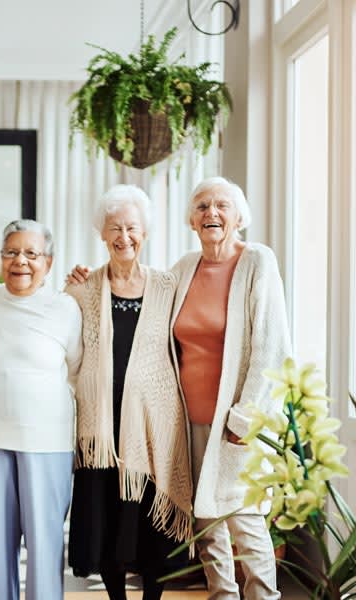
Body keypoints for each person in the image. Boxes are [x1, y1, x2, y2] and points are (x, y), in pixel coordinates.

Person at [64, 186, 193, 600]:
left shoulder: (168, 286)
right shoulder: (84, 289)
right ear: (102, 234)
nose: (124, 236)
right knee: (106, 522)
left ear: (146, 232)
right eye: (114, 228)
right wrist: (68, 289)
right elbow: (64, 343)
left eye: (132, 227)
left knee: (149, 526)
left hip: (153, 426)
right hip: (99, 428)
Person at [171, 177, 289, 599]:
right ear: (191, 220)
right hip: (190, 421)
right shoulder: (184, 268)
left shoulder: (257, 261)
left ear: (239, 217)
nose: (211, 214)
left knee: (244, 519)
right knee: (205, 524)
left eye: (222, 206)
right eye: (202, 206)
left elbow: (273, 348)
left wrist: (247, 415)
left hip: (237, 422)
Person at [0, 219, 82, 600]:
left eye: (32, 254)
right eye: (12, 252)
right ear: (1, 259)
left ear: (48, 263)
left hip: (48, 441)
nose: (21, 262)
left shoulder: (66, 307)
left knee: (44, 542)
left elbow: (79, 369)